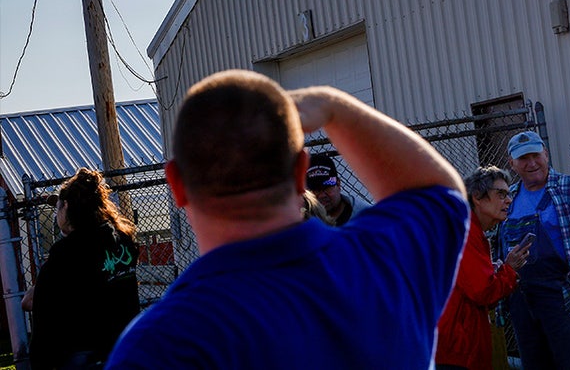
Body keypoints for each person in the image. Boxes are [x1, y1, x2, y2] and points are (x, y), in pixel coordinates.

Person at [107, 69, 468, 368]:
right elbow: (440, 190)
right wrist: (332, 105)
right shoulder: (388, 259)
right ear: (301, 173)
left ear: (177, 185)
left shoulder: (162, 345)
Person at [498, 130, 570, 370]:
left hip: (562, 297)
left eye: (536, 156)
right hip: (522, 298)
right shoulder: (509, 198)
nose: (532, 163)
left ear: (546, 154)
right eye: (523, 159)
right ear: (512, 164)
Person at [23, 168, 139, 370]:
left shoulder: (68, 251)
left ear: (66, 206)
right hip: (124, 346)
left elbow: (35, 305)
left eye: (57, 207)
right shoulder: (121, 239)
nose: (56, 214)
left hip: (84, 355)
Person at [436, 166, 528, 370]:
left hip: (455, 346)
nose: (508, 200)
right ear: (477, 197)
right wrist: (509, 269)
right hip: (456, 351)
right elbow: (483, 292)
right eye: (501, 194)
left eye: (509, 194)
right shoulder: (465, 232)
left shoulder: (468, 230)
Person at [306, 151, 370, 226]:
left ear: (338, 184)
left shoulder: (366, 217)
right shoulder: (300, 222)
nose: (322, 195)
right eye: (315, 190)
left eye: (327, 187)